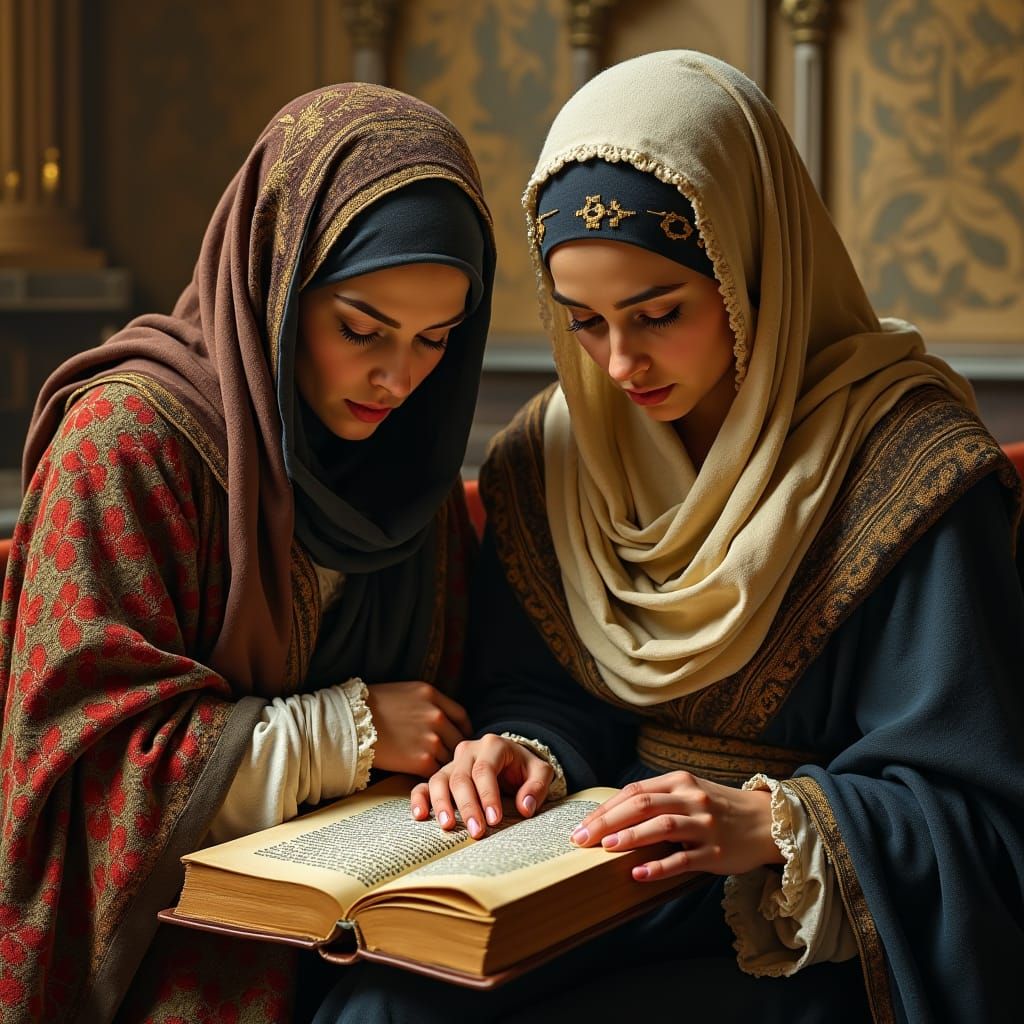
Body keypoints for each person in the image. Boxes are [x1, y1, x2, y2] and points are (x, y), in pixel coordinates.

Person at [316, 51, 1024, 1023]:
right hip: (588, 879)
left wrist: (771, 820)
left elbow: (979, 813)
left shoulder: (906, 465)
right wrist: (523, 748)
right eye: (584, 321)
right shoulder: (554, 457)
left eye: (659, 314)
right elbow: (543, 688)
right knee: (382, 1010)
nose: (619, 363)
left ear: (751, 268)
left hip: (795, 925)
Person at [0, 83, 495, 1022]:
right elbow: (88, 778)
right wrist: (348, 732)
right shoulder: (126, 443)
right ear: (275, 281)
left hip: (377, 924)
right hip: (183, 945)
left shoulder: (402, 462)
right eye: (361, 330)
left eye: (437, 340)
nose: (398, 377)